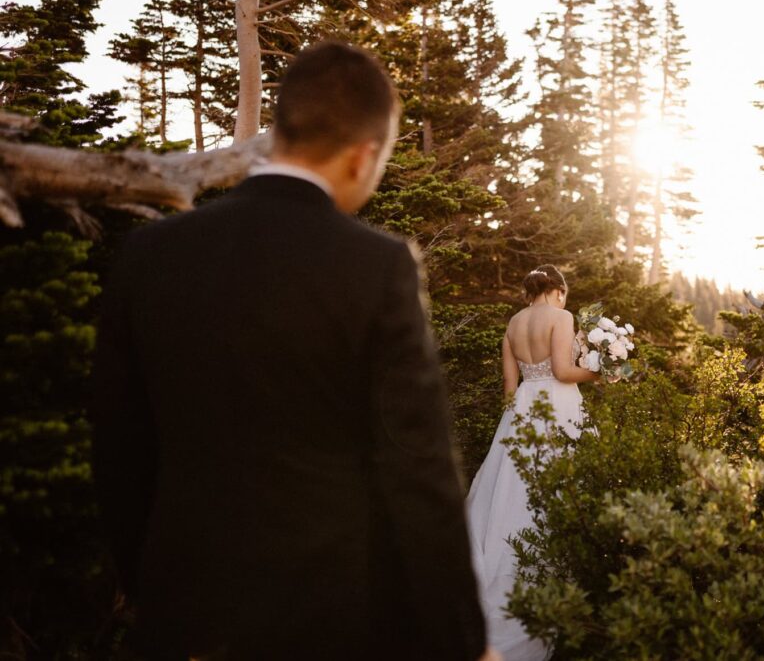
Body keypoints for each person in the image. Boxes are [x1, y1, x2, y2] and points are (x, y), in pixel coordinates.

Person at [91, 41, 498, 661]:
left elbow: (118, 447)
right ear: (364, 157)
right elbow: (420, 470)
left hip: (184, 616)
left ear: (279, 129)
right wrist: (464, 643)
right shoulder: (376, 267)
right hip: (331, 621)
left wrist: (151, 588)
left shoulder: (152, 253)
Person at [465, 265, 599, 660]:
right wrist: (599, 372)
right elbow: (562, 371)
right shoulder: (562, 317)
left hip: (520, 412)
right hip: (558, 407)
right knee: (562, 490)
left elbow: (510, 391)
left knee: (510, 493)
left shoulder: (513, 323)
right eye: (565, 294)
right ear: (557, 290)